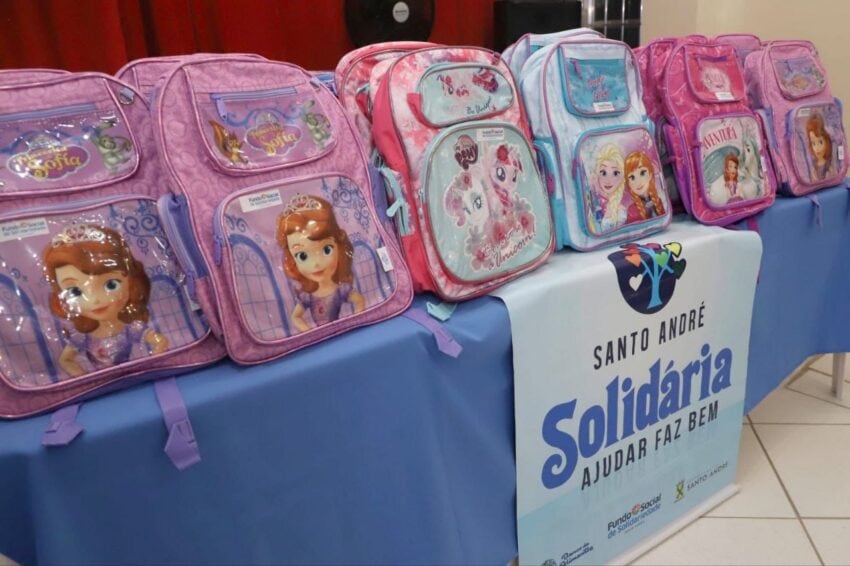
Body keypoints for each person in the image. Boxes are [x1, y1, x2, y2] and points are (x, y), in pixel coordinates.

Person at [44, 224, 168, 378]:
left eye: (111, 284)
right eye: (75, 292)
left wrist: (152, 362)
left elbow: (161, 341)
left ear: (131, 283)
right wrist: (86, 379)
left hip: (133, 376)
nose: (95, 300)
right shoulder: (82, 336)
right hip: (103, 381)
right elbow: (66, 360)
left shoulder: (131, 328)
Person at [277, 194, 364, 333]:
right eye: (303, 256)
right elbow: (295, 317)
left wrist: (355, 321)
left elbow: (359, 300)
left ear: (339, 247)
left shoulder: (341, 290)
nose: (316, 264)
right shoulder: (307, 296)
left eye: (327, 250)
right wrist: (309, 332)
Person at [592, 144, 627, 231]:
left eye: (615, 173)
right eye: (603, 173)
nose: (608, 180)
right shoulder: (598, 201)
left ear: (622, 177)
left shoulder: (620, 211)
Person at [624, 151, 665, 222]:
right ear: (628, 183)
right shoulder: (632, 210)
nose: (638, 181)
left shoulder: (660, 201)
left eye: (642, 173)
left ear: (650, 174)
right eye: (632, 177)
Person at [806, 112, 835, 181]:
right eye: (813, 143)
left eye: (820, 142)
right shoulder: (814, 162)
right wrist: (814, 177)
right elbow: (812, 174)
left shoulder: (827, 163)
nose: (817, 148)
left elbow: (833, 175)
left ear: (827, 142)